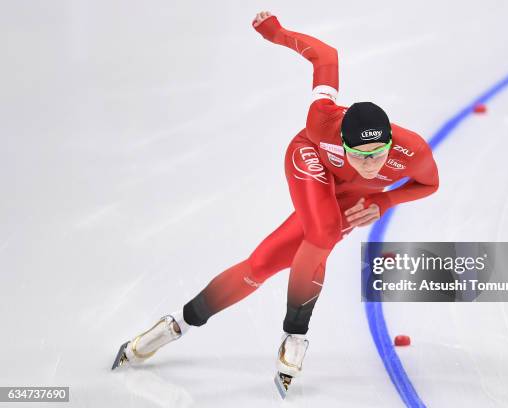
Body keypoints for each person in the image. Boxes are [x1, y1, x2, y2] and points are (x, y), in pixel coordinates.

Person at [111, 10, 439, 394]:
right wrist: (276, 33)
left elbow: (428, 185)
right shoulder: (322, 121)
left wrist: (383, 203)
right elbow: (325, 55)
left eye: (378, 154)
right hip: (309, 161)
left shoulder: (412, 150)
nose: (370, 164)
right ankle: (295, 338)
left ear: (391, 145)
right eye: (358, 154)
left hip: (349, 197)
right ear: (344, 143)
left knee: (261, 264)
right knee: (325, 231)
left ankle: (175, 325)